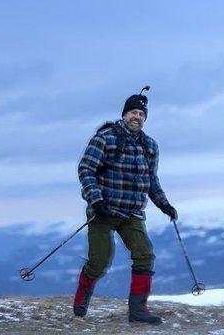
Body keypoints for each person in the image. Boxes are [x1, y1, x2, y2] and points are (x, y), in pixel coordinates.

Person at [73, 86, 178, 325]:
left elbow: (151, 180)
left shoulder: (150, 146)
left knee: (144, 255)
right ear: (124, 114)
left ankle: (138, 311)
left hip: (131, 213)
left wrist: (164, 204)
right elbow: (86, 169)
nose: (137, 117)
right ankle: (81, 297)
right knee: (99, 262)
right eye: (133, 112)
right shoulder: (106, 138)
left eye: (141, 114)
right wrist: (95, 199)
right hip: (104, 210)